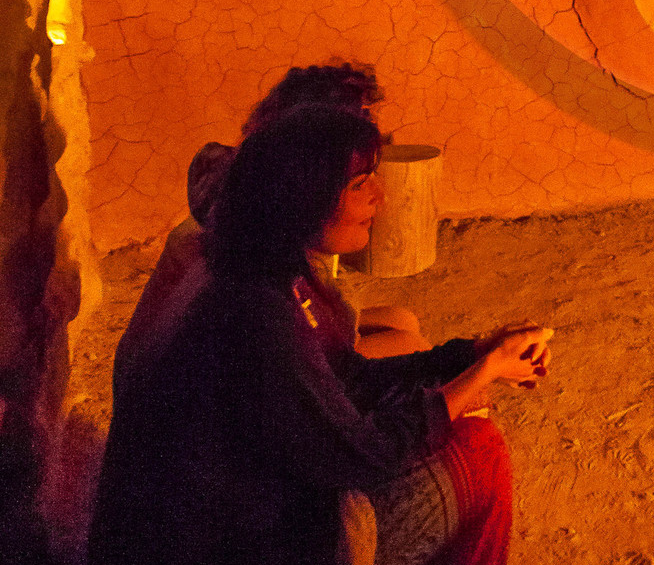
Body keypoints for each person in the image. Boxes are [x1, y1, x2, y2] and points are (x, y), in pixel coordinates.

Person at [84, 96, 560, 565]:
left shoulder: (259, 268)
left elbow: (348, 379)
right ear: (306, 195)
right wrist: (477, 381)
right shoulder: (254, 313)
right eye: (361, 182)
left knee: (448, 419)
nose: (378, 196)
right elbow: (365, 455)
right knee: (478, 455)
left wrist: (473, 354)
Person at [117, 63, 426, 385]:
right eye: (359, 180)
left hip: (202, 377)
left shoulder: (248, 198)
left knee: (401, 321)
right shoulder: (253, 250)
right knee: (412, 351)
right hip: (185, 400)